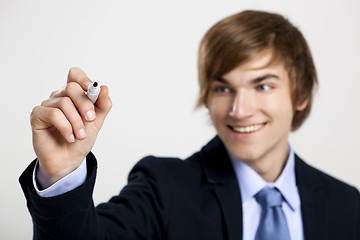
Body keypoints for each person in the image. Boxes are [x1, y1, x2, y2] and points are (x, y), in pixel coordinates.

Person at [20, 10, 360, 240]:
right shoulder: (163, 188)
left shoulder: (348, 206)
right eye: (223, 88)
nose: (239, 110)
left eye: (263, 85)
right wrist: (62, 173)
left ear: (300, 94)